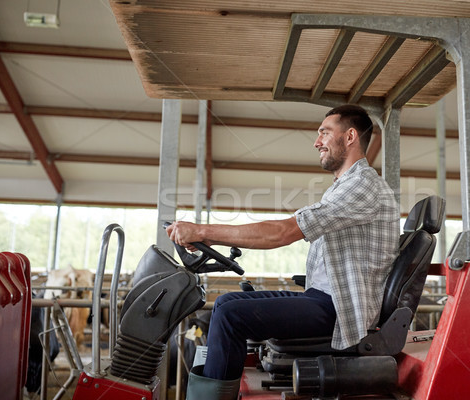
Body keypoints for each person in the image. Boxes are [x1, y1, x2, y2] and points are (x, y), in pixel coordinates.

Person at [166, 104, 400, 400]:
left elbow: (283, 232)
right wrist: (210, 238)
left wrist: (203, 231)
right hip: (325, 299)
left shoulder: (362, 186)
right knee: (227, 304)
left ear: (350, 136)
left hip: (341, 311)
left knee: (229, 314)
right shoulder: (344, 187)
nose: (317, 142)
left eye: (324, 133)